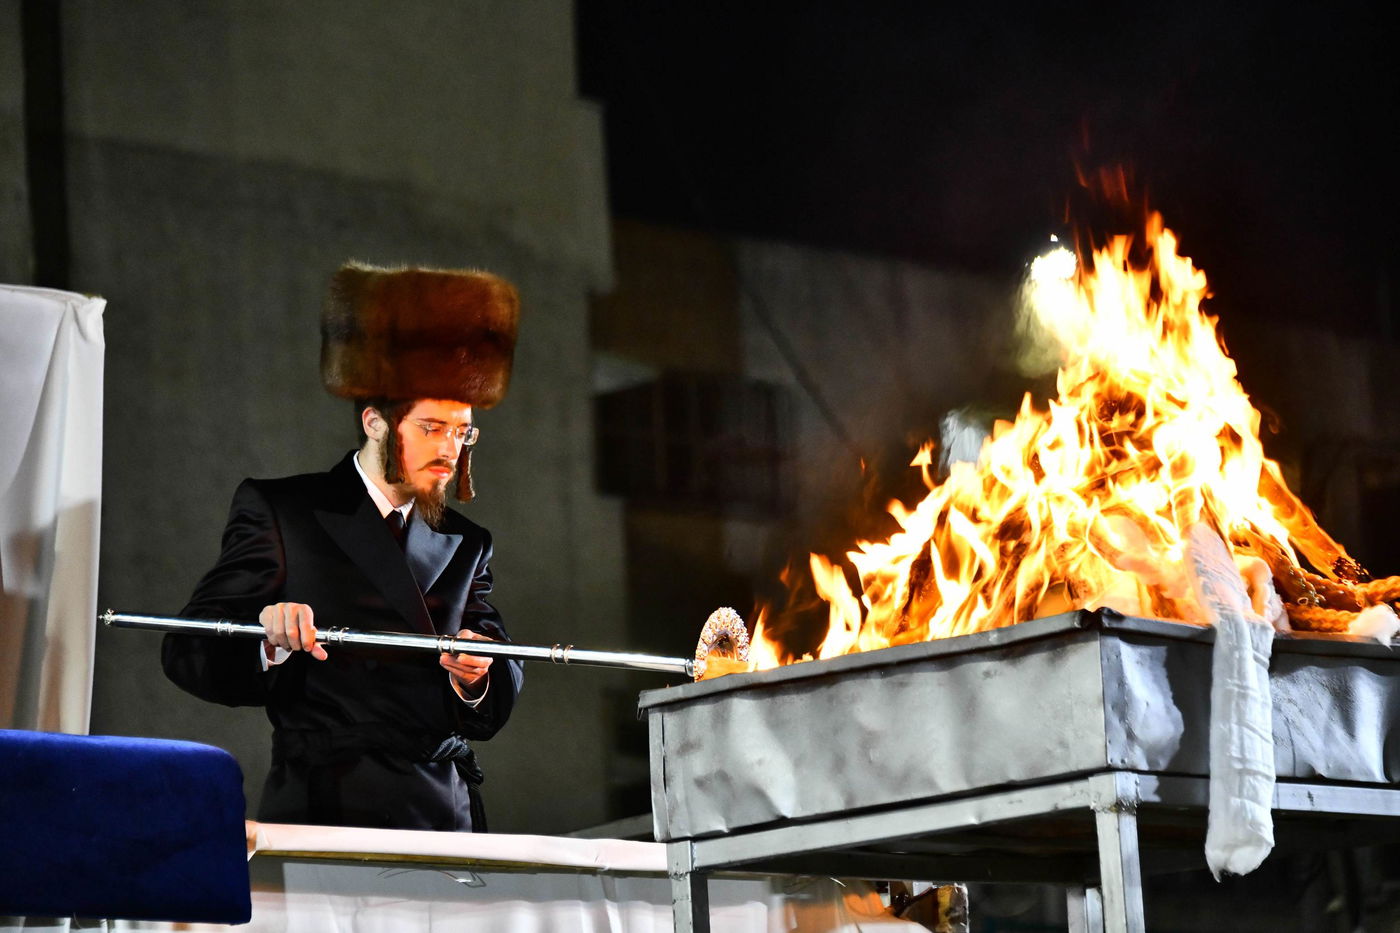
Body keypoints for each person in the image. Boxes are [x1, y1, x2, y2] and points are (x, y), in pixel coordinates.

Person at [162, 262, 524, 832]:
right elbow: (188, 651)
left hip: (441, 811)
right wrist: (267, 641)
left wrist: (475, 673)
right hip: (326, 803)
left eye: (462, 432)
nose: (451, 450)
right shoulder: (284, 511)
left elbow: (501, 678)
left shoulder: (467, 542)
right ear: (376, 422)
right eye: (432, 428)